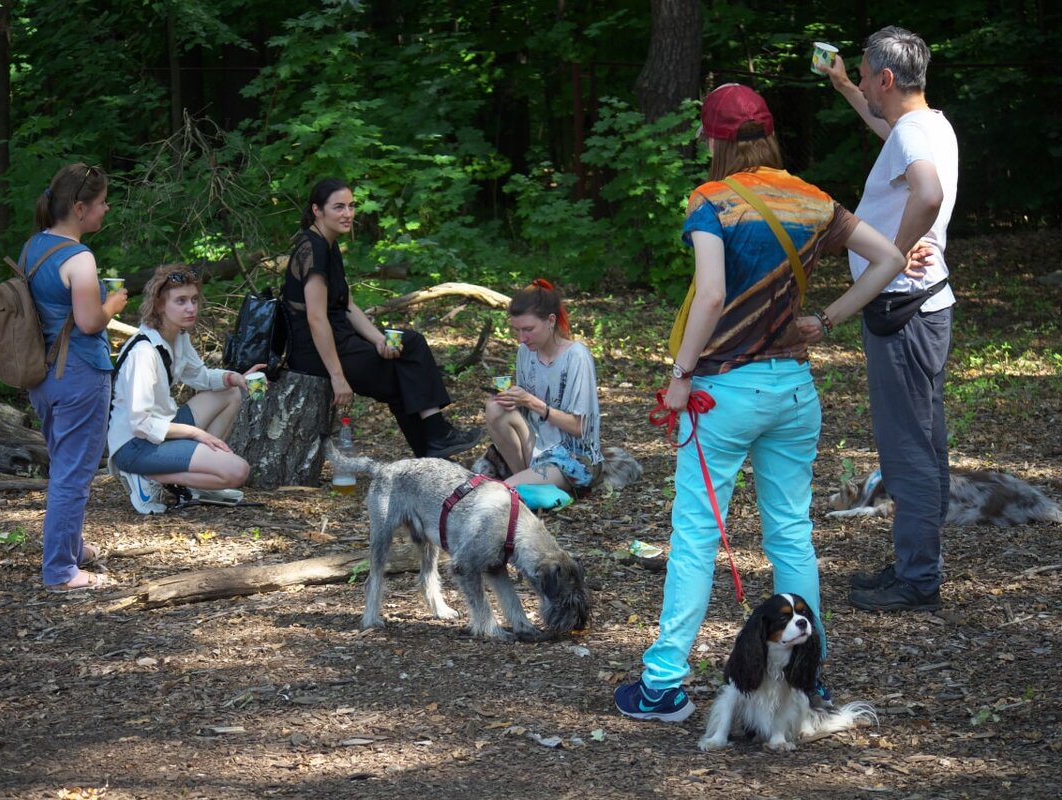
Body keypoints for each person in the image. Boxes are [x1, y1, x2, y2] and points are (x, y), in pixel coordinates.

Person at [614, 83, 907, 723]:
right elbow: (889, 257)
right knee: (792, 534)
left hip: (723, 392)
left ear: (713, 139)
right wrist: (826, 321)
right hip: (795, 391)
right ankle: (808, 678)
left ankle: (663, 684)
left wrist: (680, 375)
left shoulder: (711, 202)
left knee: (696, 536)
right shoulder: (812, 200)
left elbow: (712, 295)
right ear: (770, 133)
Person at [819, 26, 958, 612]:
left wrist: (896, 251)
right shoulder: (926, 125)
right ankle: (915, 558)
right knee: (924, 439)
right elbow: (886, 130)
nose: (870, 96)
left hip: (901, 308)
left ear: (888, 78)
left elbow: (925, 193)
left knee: (908, 448)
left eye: (869, 79)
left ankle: (919, 577)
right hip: (925, 306)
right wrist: (846, 86)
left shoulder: (913, 134)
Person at [282, 177, 481, 459]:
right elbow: (316, 318)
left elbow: (346, 304)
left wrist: (378, 340)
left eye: (351, 206)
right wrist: (338, 377)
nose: (348, 214)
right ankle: (436, 443)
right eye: (338, 207)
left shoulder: (328, 244)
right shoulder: (312, 249)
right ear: (317, 210)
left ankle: (436, 447)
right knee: (402, 377)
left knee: (408, 344)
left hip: (340, 337)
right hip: (315, 352)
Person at [24, 163, 127, 592]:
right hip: (80, 375)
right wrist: (115, 303)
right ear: (80, 208)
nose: (106, 210)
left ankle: (72, 545)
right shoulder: (79, 258)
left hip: (43, 376)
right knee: (74, 474)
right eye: (101, 203)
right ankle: (62, 570)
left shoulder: (35, 246)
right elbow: (88, 323)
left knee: (64, 465)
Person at [108, 266, 258, 514]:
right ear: (159, 305)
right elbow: (141, 424)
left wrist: (235, 378)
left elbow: (199, 376)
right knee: (238, 471)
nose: (191, 308)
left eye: (194, 300)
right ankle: (148, 477)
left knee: (230, 393)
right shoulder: (143, 353)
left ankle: (201, 481)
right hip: (134, 445)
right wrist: (196, 433)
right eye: (181, 301)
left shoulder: (177, 336)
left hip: (162, 428)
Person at [483, 279, 603, 492]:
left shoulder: (576, 356)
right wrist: (512, 400)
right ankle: (523, 481)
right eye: (517, 330)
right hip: (537, 448)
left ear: (550, 320)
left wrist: (530, 401)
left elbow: (580, 428)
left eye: (528, 329)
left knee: (500, 490)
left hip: (573, 458)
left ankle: (519, 485)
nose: (522, 338)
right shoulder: (525, 352)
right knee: (494, 407)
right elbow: (523, 412)